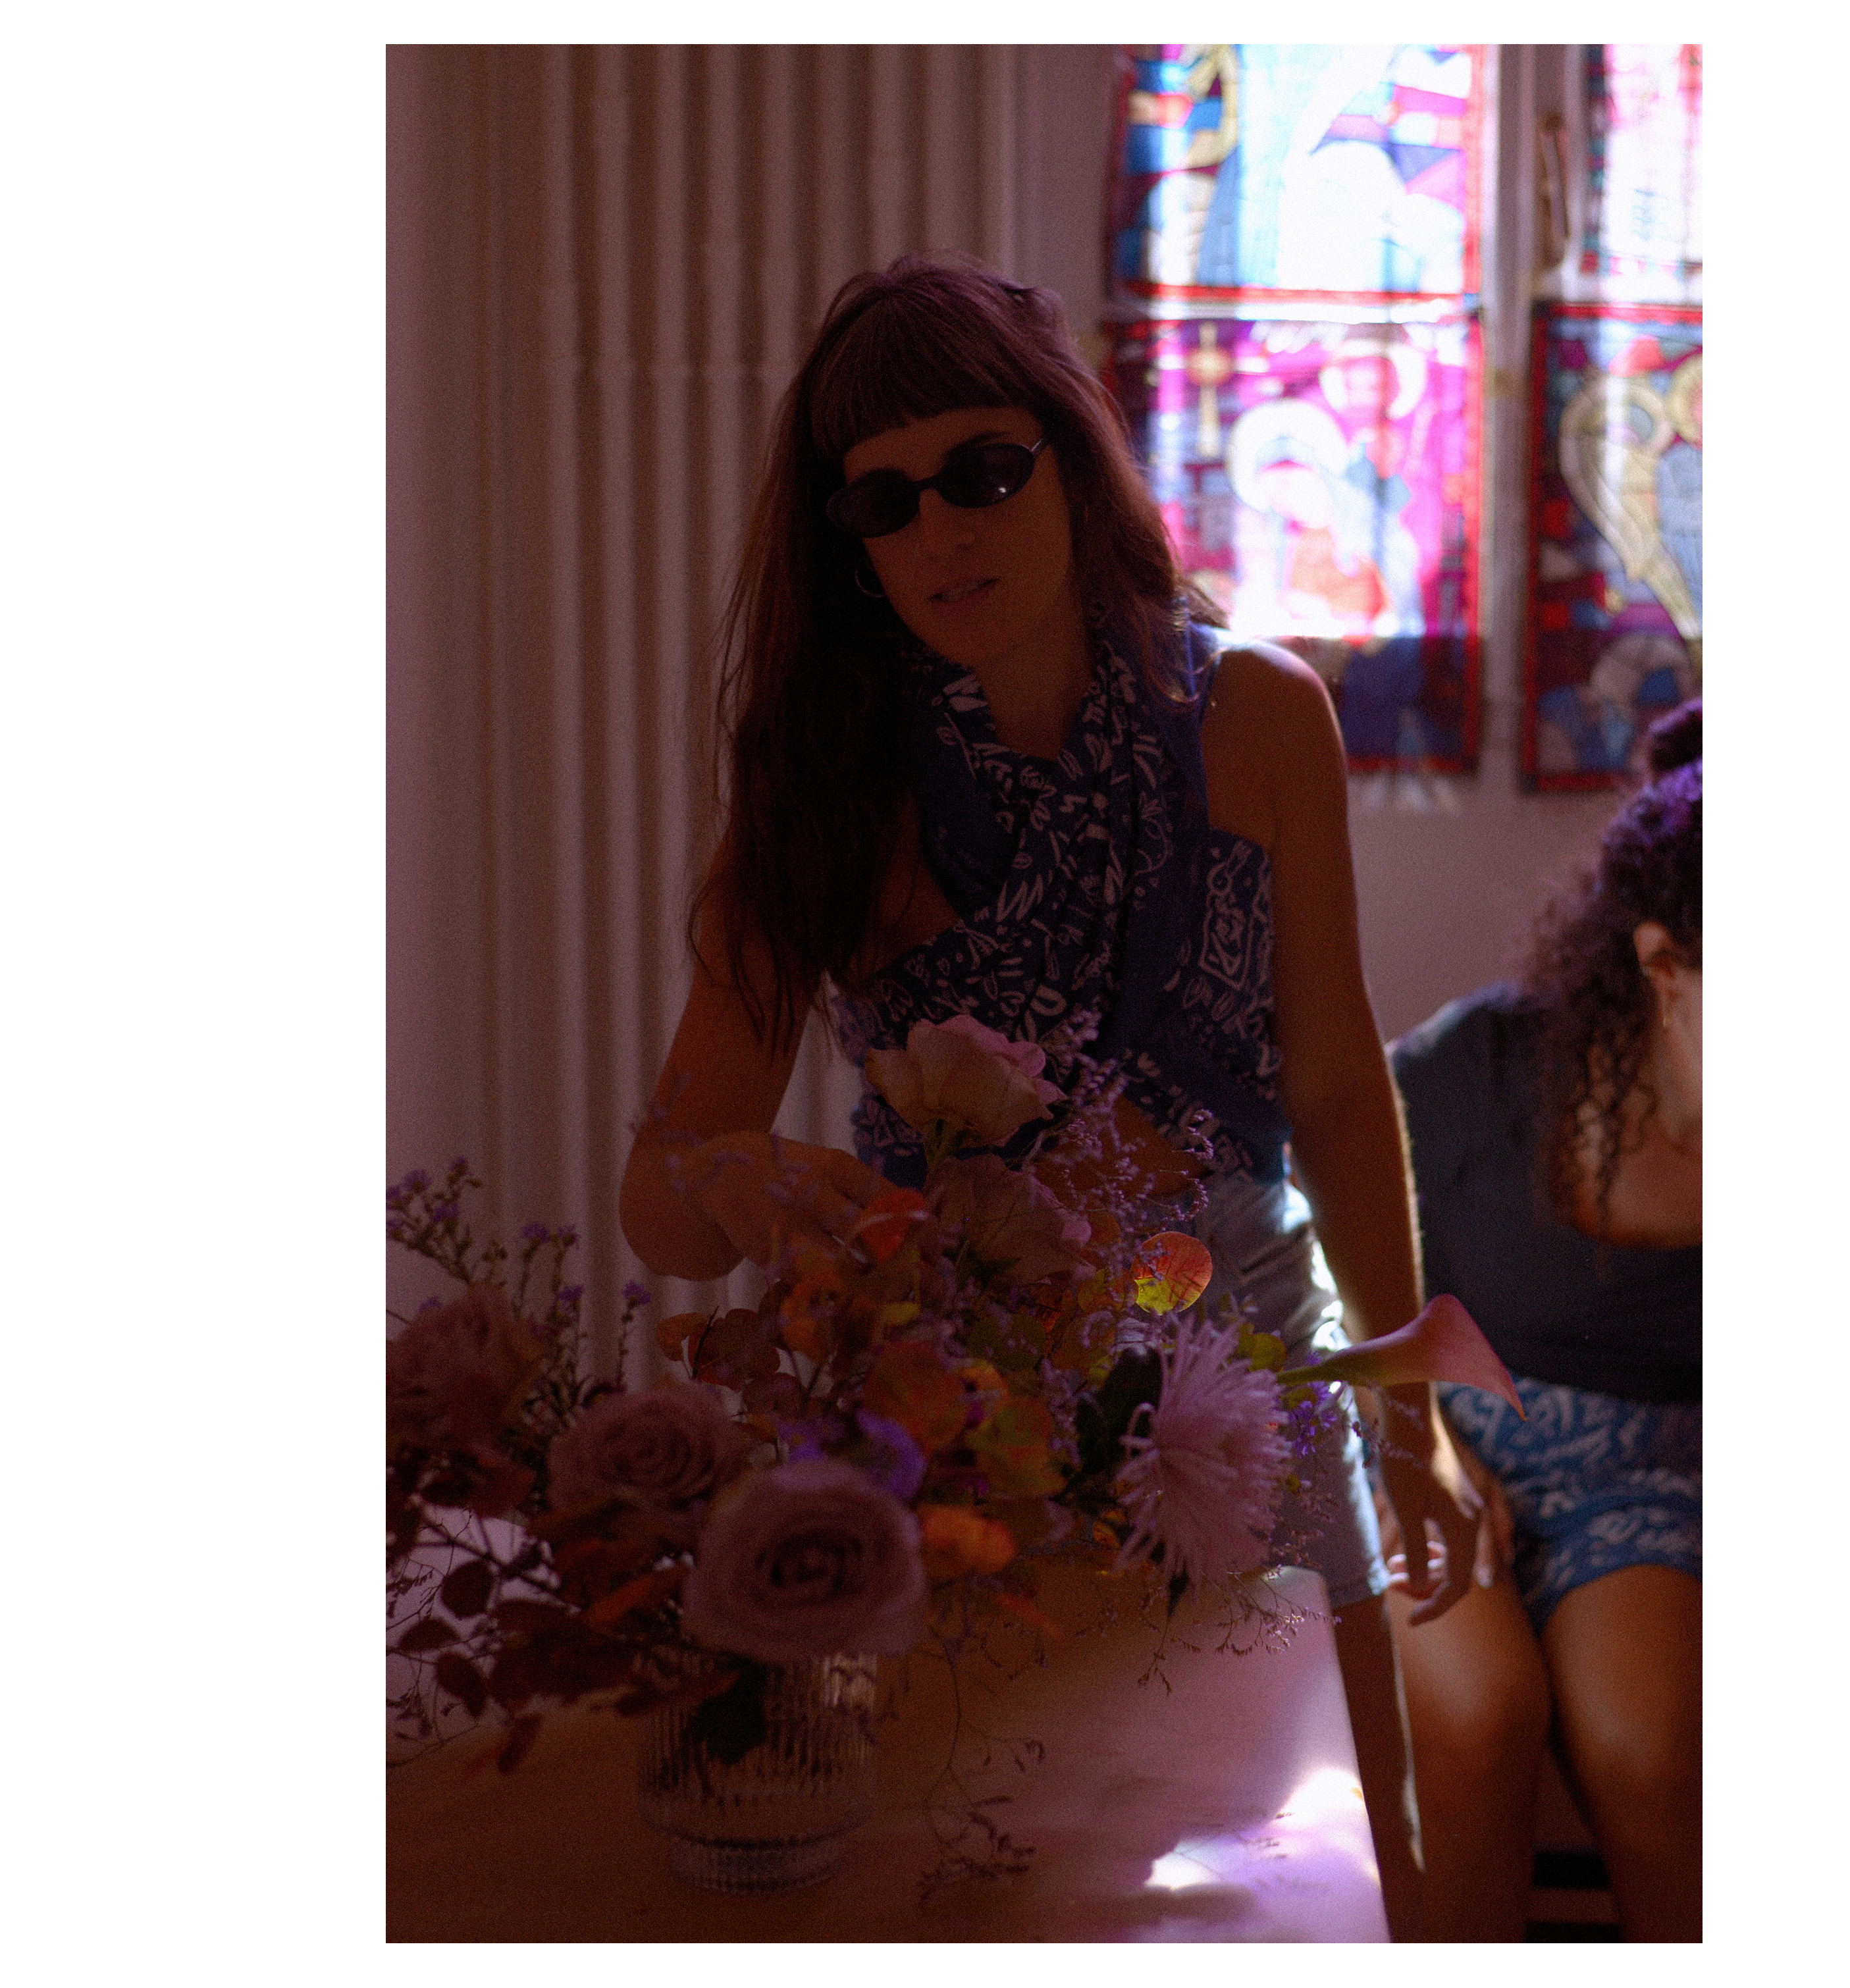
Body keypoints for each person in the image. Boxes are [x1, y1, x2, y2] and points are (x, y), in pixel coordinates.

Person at [618, 253, 1481, 1939]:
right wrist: (732, 1177)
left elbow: (1329, 1083)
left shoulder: (1260, 714)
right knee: (1001, 1880)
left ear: (1070, 461)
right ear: (848, 544)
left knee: (1333, 1877)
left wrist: (1407, 1408)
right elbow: (664, 1201)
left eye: (981, 469)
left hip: (1251, 1376)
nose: (940, 529)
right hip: (959, 1415)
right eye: (882, 500)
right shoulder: (817, 791)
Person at [1383, 700, 1702, 1941]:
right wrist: (1421, 1446)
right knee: (1482, 1711)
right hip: (1430, 1434)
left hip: (1650, 1478)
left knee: (1650, 1752)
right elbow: (1320, 1274)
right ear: (1664, 969)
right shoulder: (1480, 1071)